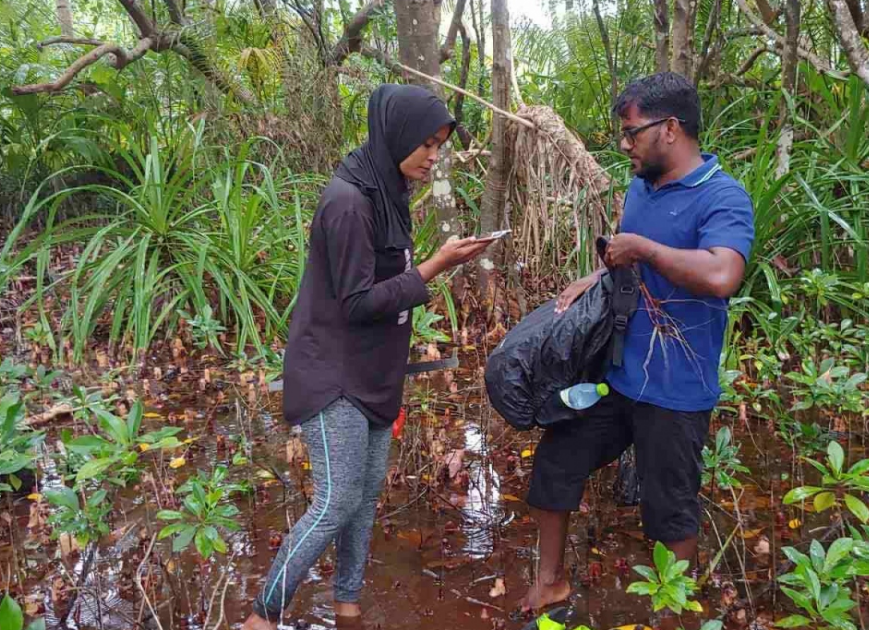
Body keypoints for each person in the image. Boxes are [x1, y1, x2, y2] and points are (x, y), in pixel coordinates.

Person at [242, 84, 492, 630]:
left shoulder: (388, 191)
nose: (433, 156)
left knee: (365, 494)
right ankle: (261, 619)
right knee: (336, 499)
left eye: (440, 146)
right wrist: (434, 267)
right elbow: (357, 303)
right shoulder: (349, 202)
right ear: (397, 135)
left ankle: (348, 605)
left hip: (374, 374)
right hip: (333, 375)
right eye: (426, 144)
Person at [521, 72, 755, 612]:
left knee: (669, 510)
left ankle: (672, 611)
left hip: (676, 390)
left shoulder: (722, 196)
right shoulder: (639, 187)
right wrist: (596, 276)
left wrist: (644, 248)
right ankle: (550, 582)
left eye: (632, 132)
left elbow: (722, 275)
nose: (624, 144)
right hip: (619, 376)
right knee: (556, 461)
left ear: (670, 129)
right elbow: (628, 266)